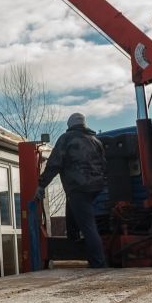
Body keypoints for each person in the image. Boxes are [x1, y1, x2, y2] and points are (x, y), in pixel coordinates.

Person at [34, 113, 107, 268]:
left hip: (78, 187)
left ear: (70, 125)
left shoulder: (67, 139)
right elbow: (104, 166)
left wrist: (41, 185)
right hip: (95, 187)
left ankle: (98, 264)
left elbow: (54, 164)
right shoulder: (95, 141)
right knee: (73, 205)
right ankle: (73, 236)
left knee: (88, 226)